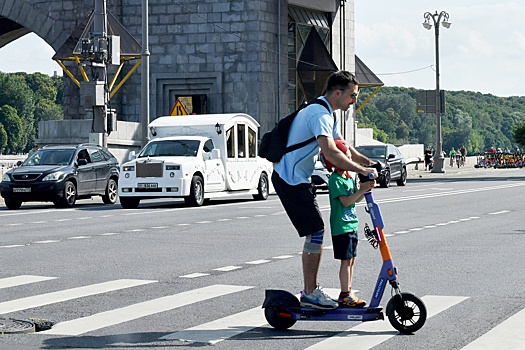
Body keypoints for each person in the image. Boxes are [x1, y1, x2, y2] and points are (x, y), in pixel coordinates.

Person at [271, 70, 378, 310]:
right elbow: (330, 152)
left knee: (316, 232)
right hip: (288, 179)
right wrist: (361, 171)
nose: (354, 100)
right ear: (338, 93)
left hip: (299, 178)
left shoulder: (329, 113)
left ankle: (311, 290)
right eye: (352, 95)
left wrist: (368, 162)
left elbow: (344, 148)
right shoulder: (319, 114)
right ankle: (310, 292)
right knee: (316, 231)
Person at [324, 139, 375, 308]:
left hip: (351, 224)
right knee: (346, 261)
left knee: (351, 259)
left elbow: (354, 200)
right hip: (341, 227)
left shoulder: (347, 178)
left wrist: (365, 189)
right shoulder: (335, 180)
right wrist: (361, 189)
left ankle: (348, 290)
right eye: (345, 158)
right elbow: (345, 201)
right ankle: (345, 294)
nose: (349, 161)